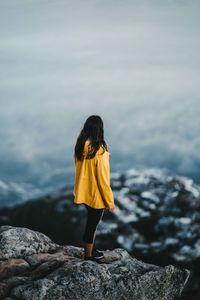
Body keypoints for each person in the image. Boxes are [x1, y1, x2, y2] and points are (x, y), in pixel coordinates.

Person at [73, 115, 115, 262]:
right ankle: (89, 255)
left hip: (83, 192)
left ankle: (91, 249)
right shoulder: (99, 151)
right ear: (100, 129)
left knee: (92, 222)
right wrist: (110, 201)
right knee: (92, 225)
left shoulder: (81, 145)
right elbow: (103, 180)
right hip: (95, 195)